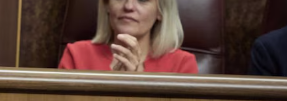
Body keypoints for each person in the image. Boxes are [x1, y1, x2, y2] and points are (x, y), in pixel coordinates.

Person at [59, 0, 197, 73]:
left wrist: (138, 84)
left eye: (142, 0)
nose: (129, 6)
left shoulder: (182, 64)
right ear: (106, 5)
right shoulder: (76, 54)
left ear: (160, 12)